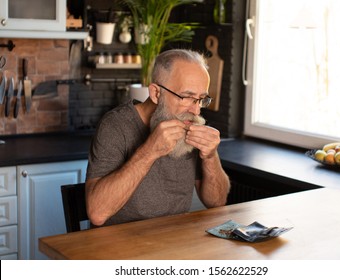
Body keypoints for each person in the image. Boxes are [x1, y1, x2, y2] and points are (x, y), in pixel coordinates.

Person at [85, 49, 231, 226]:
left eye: (201, 99)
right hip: (120, 246)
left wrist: (210, 156)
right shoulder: (115, 125)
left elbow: (217, 202)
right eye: (186, 97)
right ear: (156, 93)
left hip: (173, 243)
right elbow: (97, 213)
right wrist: (150, 151)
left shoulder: (188, 123)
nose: (196, 111)